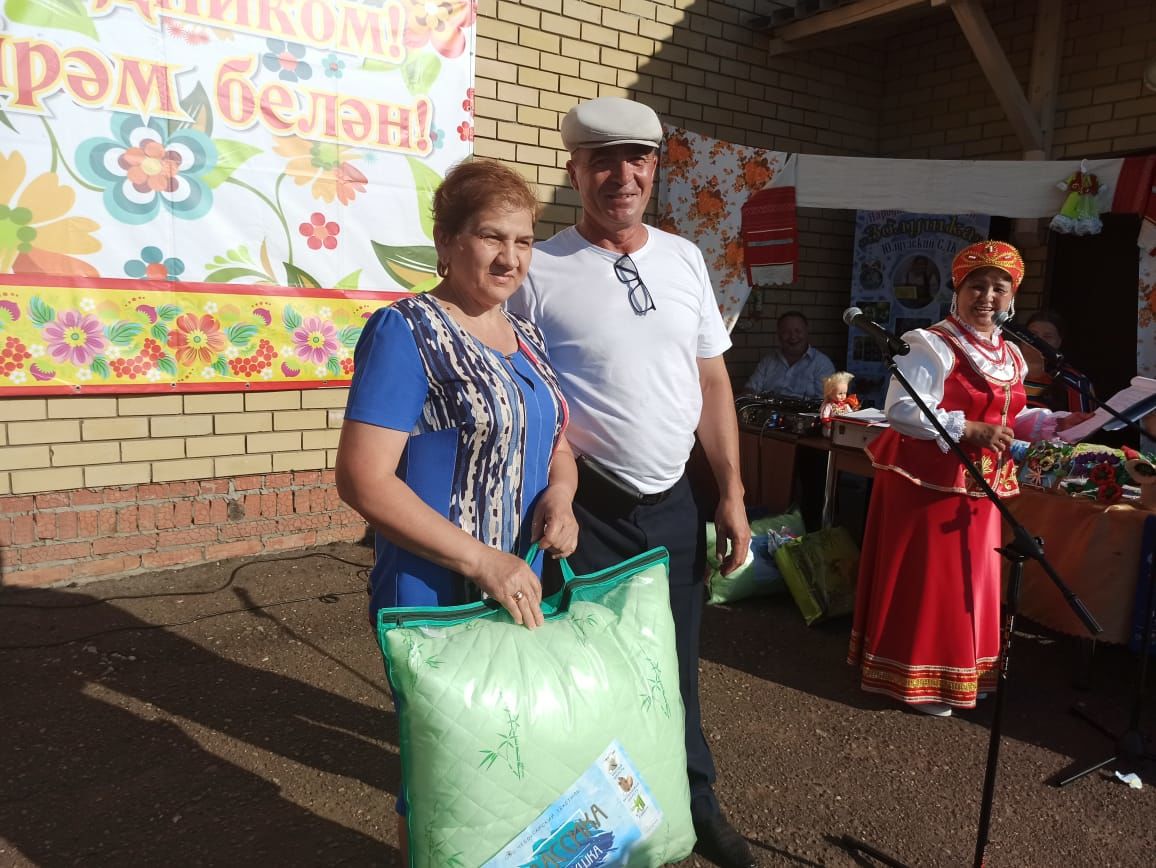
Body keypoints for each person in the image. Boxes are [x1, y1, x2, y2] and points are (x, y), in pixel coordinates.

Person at [509, 96, 755, 868]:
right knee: (588, 672)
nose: (622, 175)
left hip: (675, 503)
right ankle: (597, 826)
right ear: (575, 169)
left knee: (675, 667)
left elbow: (712, 384)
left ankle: (693, 801)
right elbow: (532, 397)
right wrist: (557, 488)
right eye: (602, 160)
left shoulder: (684, 259)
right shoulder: (539, 269)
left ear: (655, 169)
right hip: (587, 507)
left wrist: (733, 492)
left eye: (637, 159)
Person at [335, 159, 578, 854]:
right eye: (490, 236)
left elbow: (558, 440)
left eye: (524, 241)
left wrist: (562, 497)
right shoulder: (405, 331)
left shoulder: (524, 336)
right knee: (446, 774)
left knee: (517, 754)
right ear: (446, 242)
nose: (510, 257)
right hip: (438, 590)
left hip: (522, 584)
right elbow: (363, 479)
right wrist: (482, 561)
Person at [847, 241, 1092, 718]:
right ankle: (920, 680)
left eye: (999, 288)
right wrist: (969, 428)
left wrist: (1052, 424)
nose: (987, 296)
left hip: (982, 487)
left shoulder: (1011, 355)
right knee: (933, 580)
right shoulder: (931, 344)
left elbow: (1007, 415)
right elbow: (902, 410)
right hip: (927, 482)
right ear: (956, 292)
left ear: (1013, 297)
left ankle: (963, 673)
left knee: (972, 581)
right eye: (976, 285)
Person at [744, 310, 836, 399]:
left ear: (807, 332)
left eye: (798, 331)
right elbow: (750, 389)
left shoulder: (822, 364)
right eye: (786, 332)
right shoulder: (768, 361)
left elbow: (826, 401)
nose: (793, 336)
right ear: (779, 335)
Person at [1020, 308, 1094, 412]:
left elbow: (1083, 426)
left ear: (1059, 342)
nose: (1038, 341)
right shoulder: (1004, 373)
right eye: (1032, 334)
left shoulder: (1076, 382)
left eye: (1047, 336)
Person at [819, 371, 858, 435]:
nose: (843, 396)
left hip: (843, 428)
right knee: (832, 434)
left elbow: (851, 415)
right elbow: (824, 418)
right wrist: (830, 425)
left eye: (845, 393)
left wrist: (854, 411)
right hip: (831, 428)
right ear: (830, 393)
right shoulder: (828, 406)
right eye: (840, 393)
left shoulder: (846, 405)